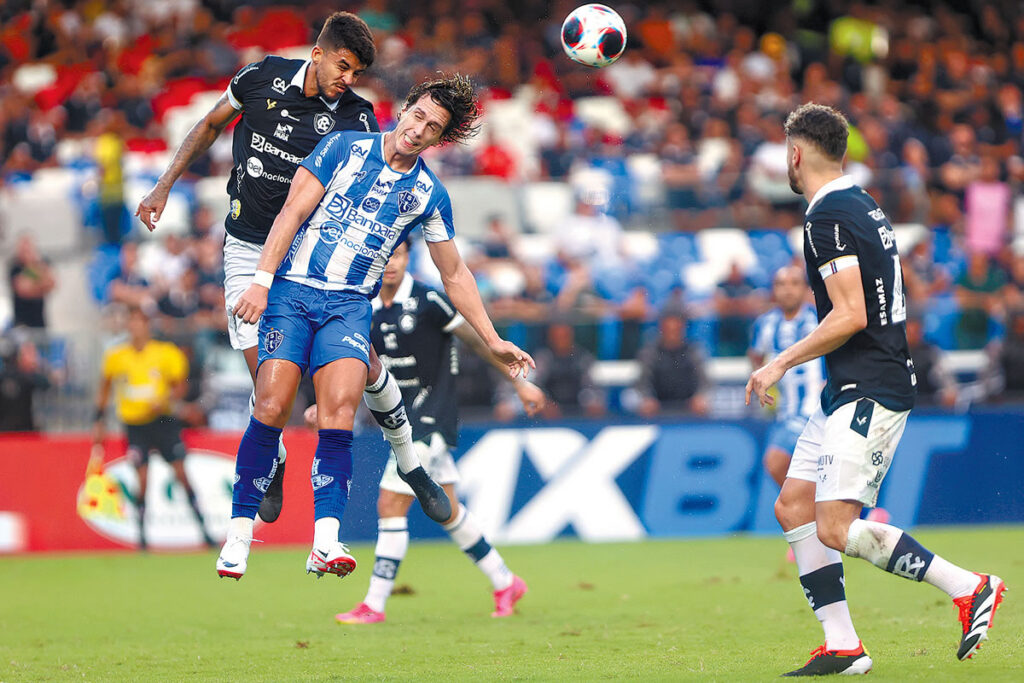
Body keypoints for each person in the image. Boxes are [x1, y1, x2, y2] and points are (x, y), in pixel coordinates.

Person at [216, 74, 535, 582]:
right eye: (417, 115)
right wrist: (259, 282)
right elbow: (292, 212)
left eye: (432, 127)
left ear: (439, 139)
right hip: (292, 294)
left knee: (338, 413)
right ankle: (238, 535)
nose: (418, 129)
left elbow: (455, 273)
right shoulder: (342, 147)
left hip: (347, 307)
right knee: (271, 405)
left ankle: (325, 542)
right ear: (404, 108)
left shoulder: (427, 193)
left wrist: (493, 339)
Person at [135, 12, 445, 525]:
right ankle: (274, 457)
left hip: (310, 258)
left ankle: (409, 459)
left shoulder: (358, 118)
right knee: (268, 388)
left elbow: (382, 185)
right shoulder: (259, 79)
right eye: (343, 66)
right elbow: (212, 123)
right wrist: (164, 184)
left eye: (357, 73)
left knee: (363, 364)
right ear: (318, 53)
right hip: (245, 248)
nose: (348, 79)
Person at [746, 103, 1005, 676]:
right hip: (850, 385)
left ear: (795, 154)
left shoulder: (825, 218)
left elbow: (851, 314)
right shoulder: (862, 203)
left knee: (834, 526)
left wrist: (778, 363)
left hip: (869, 387)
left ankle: (970, 586)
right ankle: (843, 646)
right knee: (793, 506)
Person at [326, 241, 545, 623]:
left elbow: (478, 341)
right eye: (385, 256)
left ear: (408, 257)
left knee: (390, 503)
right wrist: (325, 403)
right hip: (397, 419)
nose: (391, 263)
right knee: (448, 510)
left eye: (398, 255)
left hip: (431, 417)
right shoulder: (366, 305)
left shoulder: (429, 300)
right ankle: (505, 580)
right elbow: (356, 366)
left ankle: (373, 604)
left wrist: (519, 383)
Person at [92, 306, 213, 550]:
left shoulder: (165, 353)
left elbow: (181, 386)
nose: (136, 327)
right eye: (132, 322)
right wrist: (99, 420)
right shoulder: (116, 356)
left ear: (148, 326)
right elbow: (104, 388)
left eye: (140, 322)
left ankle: (205, 531)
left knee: (181, 474)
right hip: (135, 425)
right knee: (142, 479)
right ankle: (141, 537)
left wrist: (167, 400)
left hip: (163, 421)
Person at [748, 266, 823, 488]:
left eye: (794, 283)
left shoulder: (820, 319)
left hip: (816, 408)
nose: (787, 290)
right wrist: (767, 385)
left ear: (806, 289)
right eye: (781, 284)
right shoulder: (765, 324)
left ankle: (816, 518)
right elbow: (755, 355)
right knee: (804, 474)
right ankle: (833, 519)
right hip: (785, 412)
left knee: (776, 461)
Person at [633, 307, 709, 417]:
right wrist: (647, 398)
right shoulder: (649, 352)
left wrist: (701, 396)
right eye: (668, 327)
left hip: (689, 411)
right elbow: (642, 382)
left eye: (676, 328)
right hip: (657, 411)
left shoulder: (693, 351)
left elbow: (705, 381)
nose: (672, 331)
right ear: (662, 327)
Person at [8, 234, 57, 329]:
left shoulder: (42, 262)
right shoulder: (14, 267)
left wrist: (36, 284)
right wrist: (39, 279)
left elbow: (52, 284)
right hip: (21, 324)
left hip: (40, 323)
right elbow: (24, 290)